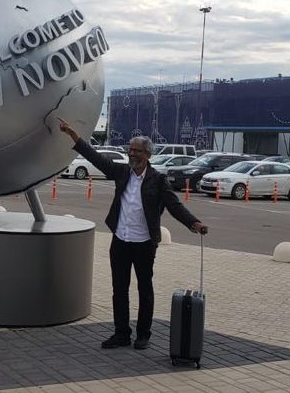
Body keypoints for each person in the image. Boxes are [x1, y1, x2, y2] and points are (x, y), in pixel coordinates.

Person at [58, 118, 208, 350]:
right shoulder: (122, 172)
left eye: (137, 150)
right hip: (120, 240)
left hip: (144, 243)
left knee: (144, 289)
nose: (131, 153)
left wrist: (194, 223)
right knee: (119, 290)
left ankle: (143, 334)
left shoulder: (158, 180)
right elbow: (96, 158)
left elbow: (174, 205)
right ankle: (121, 333)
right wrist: (73, 135)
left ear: (147, 154)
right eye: (130, 149)